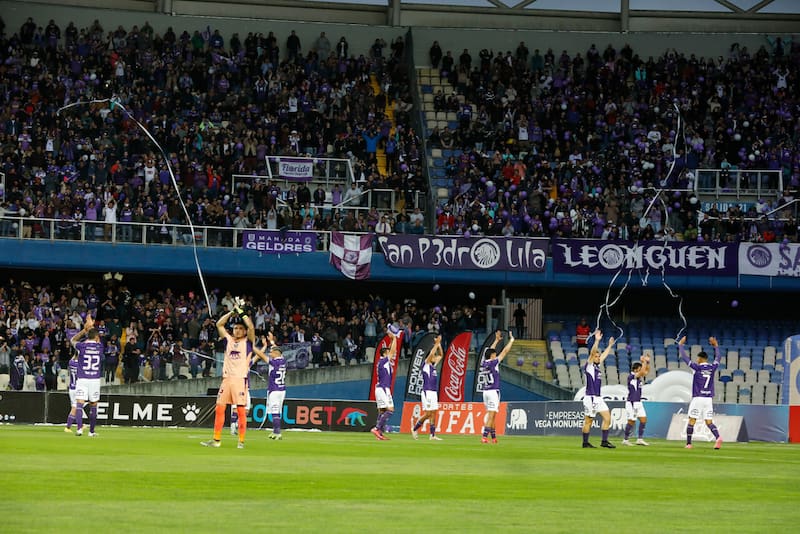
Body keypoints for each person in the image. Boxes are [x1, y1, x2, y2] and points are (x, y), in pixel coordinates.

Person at [201, 298, 255, 449]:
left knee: (240, 410)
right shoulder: (229, 340)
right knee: (219, 408)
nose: (237, 330)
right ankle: (216, 440)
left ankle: (241, 441)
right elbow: (219, 324)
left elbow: (251, 327)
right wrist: (232, 312)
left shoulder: (248, 342)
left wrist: (242, 313)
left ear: (244, 331)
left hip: (239, 380)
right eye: (235, 328)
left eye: (240, 329)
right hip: (227, 379)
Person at [678, 336, 723, 449]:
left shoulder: (696, 367)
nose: (696, 360)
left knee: (692, 420)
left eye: (698, 358)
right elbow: (718, 357)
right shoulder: (713, 367)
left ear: (700, 358)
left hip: (698, 397)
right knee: (709, 421)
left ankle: (688, 444)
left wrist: (680, 345)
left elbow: (685, 358)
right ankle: (718, 437)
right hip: (708, 399)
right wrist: (716, 345)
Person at [581, 329, 616, 448]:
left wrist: (610, 345)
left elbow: (604, 355)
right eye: (597, 356)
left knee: (607, 417)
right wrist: (596, 341)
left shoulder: (596, 366)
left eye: (598, 356)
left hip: (598, 398)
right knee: (589, 421)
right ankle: (585, 443)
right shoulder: (589, 365)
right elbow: (592, 353)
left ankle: (604, 441)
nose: (598, 357)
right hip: (590, 397)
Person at [70, 315, 103, 437]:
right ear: (96, 337)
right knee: (93, 405)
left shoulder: (81, 346)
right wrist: (91, 326)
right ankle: (91, 432)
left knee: (79, 403)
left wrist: (84, 330)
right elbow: (96, 337)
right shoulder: (99, 346)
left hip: (82, 379)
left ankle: (79, 429)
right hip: (94, 379)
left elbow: (72, 340)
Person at [480, 330, 515, 444]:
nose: (496, 353)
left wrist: (496, 340)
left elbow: (490, 350)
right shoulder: (494, 362)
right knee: (491, 415)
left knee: (492, 415)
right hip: (493, 391)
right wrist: (511, 340)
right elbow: (505, 351)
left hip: (485, 391)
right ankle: (484, 437)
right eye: (494, 353)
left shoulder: (484, 362)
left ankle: (494, 438)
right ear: (493, 355)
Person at [411, 335, 444, 440]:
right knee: (428, 413)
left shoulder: (433, 367)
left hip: (433, 392)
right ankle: (415, 428)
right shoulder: (425, 365)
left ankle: (432, 435)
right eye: (434, 356)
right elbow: (431, 354)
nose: (435, 357)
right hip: (427, 392)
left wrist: (439, 344)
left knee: (434, 412)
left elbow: (441, 355)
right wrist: (436, 344)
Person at [370, 328, 400, 441]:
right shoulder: (383, 361)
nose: (390, 353)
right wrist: (395, 338)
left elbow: (392, 350)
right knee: (390, 410)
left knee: (382, 411)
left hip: (380, 388)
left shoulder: (383, 362)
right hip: (383, 388)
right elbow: (393, 351)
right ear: (384, 353)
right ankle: (377, 429)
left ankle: (380, 434)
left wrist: (392, 339)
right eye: (387, 351)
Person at [258, 332, 287, 440]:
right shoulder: (283, 360)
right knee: (277, 411)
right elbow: (277, 350)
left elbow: (261, 356)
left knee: (275, 412)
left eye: (271, 352)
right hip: (282, 389)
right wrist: (271, 342)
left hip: (274, 390)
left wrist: (254, 348)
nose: (270, 353)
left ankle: (278, 433)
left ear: (275, 354)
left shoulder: (274, 362)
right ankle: (275, 432)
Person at [621, 354, 651, 446]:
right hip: (632, 402)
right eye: (640, 368)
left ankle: (639, 439)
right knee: (631, 421)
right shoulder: (631, 376)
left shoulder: (639, 378)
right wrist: (644, 362)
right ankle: (625, 440)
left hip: (638, 402)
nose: (641, 369)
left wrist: (647, 362)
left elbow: (646, 371)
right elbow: (642, 372)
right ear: (635, 369)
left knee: (643, 420)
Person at [64, 352, 79, 432]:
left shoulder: (71, 363)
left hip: (72, 387)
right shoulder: (80, 365)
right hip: (77, 388)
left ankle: (80, 425)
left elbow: (73, 357)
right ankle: (68, 427)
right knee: (75, 407)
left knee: (76, 407)